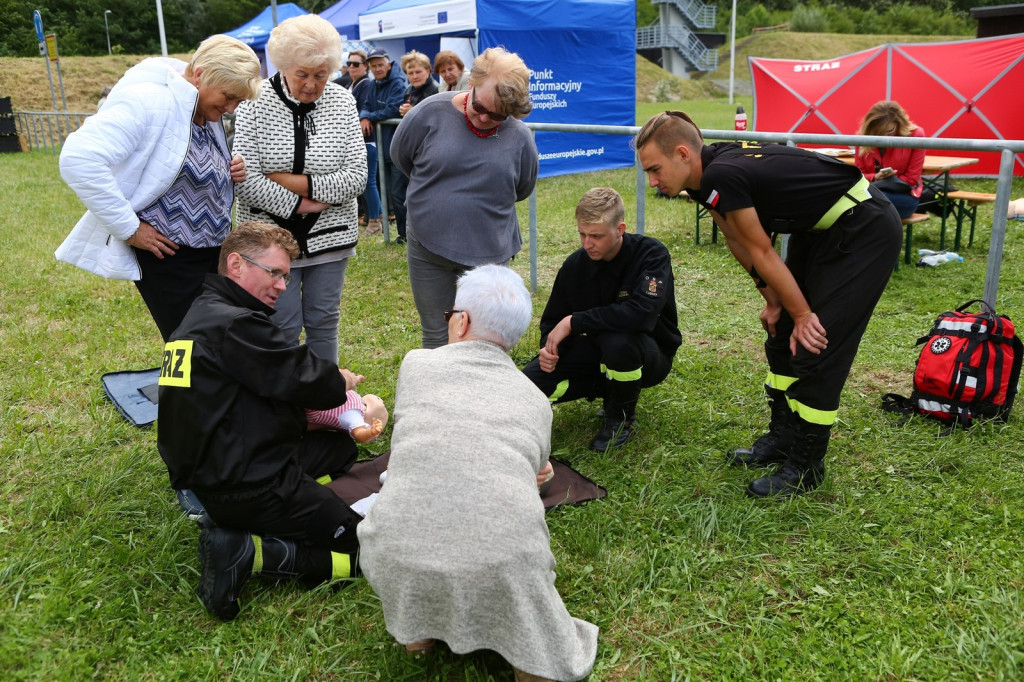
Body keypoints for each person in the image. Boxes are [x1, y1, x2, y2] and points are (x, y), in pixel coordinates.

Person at [635, 111, 902, 497]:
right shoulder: (700, 178)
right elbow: (736, 239)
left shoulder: (719, 175)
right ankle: (784, 437)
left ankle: (807, 464)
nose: (652, 180)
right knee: (781, 334)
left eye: (655, 169)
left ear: (682, 154)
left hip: (864, 227)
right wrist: (774, 302)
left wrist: (803, 312)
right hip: (820, 230)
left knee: (817, 343)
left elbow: (761, 248)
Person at [358, 265, 598, 682]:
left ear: (462, 320)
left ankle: (419, 635)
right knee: (509, 558)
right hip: (507, 566)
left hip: (397, 552)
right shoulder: (535, 400)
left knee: (408, 528)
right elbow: (537, 473)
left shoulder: (416, 365)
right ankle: (527, 654)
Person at [157, 221, 366, 621]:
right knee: (363, 546)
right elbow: (308, 380)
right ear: (235, 264)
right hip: (248, 483)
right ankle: (251, 552)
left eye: (286, 276)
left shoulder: (202, 314)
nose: (283, 286)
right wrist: (340, 380)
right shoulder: (237, 325)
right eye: (275, 273)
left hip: (212, 472)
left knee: (339, 447)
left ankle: (291, 514)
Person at [57, 35, 262, 341]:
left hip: (210, 250)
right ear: (200, 74)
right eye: (228, 97)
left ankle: (205, 389)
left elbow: (177, 156)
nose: (231, 108)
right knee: (195, 343)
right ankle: (187, 391)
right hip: (172, 256)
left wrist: (225, 167)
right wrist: (128, 228)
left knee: (220, 337)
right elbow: (79, 159)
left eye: (238, 101)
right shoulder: (148, 102)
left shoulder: (200, 104)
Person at [232, 15, 367, 363]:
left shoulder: (342, 101)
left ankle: (326, 399)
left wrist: (291, 182)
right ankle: (284, 402)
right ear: (283, 66)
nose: (311, 84)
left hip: (331, 234)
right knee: (281, 323)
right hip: (268, 239)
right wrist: (301, 204)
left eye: (321, 75)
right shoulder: (254, 100)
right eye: (302, 74)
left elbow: (356, 177)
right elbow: (245, 179)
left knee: (324, 321)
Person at [391, 46, 538, 349]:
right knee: (437, 334)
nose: (485, 118)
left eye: (498, 115)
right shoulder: (428, 113)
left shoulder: (520, 137)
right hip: (429, 248)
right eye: (480, 107)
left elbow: (522, 188)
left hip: (490, 254)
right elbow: (402, 157)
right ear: (470, 84)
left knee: (485, 337)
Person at [522, 188, 681, 451]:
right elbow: (553, 321)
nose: (587, 244)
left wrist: (575, 321)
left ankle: (620, 418)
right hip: (594, 354)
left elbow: (641, 315)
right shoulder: (574, 266)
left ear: (620, 229)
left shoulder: (651, 254)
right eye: (582, 234)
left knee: (619, 342)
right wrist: (549, 350)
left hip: (648, 354)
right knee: (526, 384)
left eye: (596, 236)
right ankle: (606, 389)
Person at [359, 48, 409, 243]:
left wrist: (368, 116)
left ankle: (406, 234)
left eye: (380, 65)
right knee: (389, 191)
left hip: (397, 147)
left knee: (398, 193)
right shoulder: (373, 84)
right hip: (382, 146)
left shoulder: (397, 82)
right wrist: (364, 115)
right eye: (374, 66)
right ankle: (402, 234)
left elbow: (393, 109)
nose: (377, 69)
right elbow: (366, 104)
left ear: (388, 64)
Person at [855, 100, 926, 219]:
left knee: (866, 202)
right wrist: (875, 177)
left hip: (904, 195)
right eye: (878, 133)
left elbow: (912, 179)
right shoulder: (862, 137)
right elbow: (858, 175)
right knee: (860, 200)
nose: (884, 137)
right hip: (871, 192)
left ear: (900, 124)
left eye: (890, 131)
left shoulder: (915, 135)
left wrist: (886, 181)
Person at [346, 49, 384, 236]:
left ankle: (375, 221)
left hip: (367, 141)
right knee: (364, 183)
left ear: (365, 67)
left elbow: (361, 109)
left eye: (356, 64)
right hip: (356, 142)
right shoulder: (353, 85)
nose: (351, 67)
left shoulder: (366, 84)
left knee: (368, 183)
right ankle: (374, 217)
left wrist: (364, 117)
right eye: (349, 63)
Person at [306, 390, 388, 443]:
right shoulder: (355, 404)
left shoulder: (355, 415)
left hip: (314, 405)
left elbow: (359, 435)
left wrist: (370, 432)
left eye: (365, 406)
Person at [398, 50, 438, 117]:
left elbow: (436, 117)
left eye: (418, 72)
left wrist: (412, 112)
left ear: (428, 71)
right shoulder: (408, 90)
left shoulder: (436, 90)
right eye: (410, 73)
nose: (415, 76)